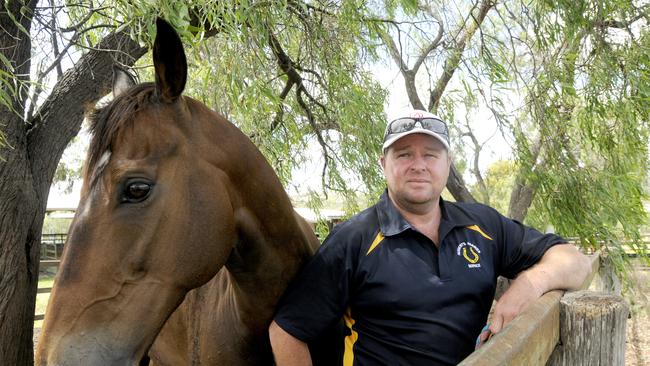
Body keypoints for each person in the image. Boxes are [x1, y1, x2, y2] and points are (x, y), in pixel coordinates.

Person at [269, 109, 592, 366]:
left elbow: (575, 263)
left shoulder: (482, 225)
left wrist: (529, 284)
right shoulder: (353, 239)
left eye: (431, 154)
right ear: (384, 164)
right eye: (404, 154)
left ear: (447, 163)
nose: (418, 166)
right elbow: (286, 331)